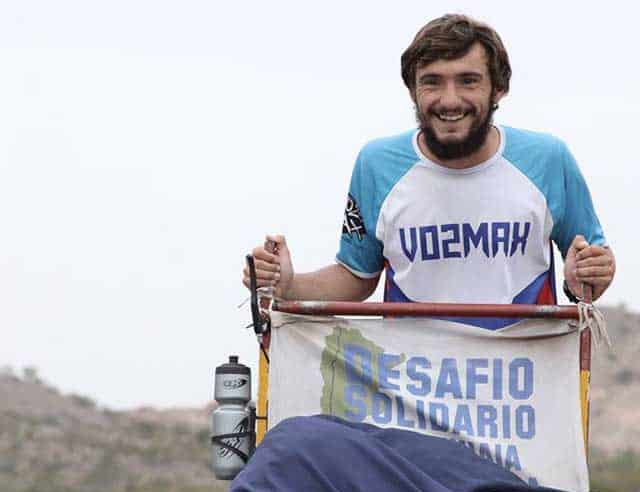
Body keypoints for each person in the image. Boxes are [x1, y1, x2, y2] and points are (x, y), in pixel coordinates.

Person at [242, 14, 615, 325]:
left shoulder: (549, 159)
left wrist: (589, 276)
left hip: (522, 394)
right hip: (412, 396)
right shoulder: (376, 164)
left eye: (468, 81)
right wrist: (287, 284)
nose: (449, 100)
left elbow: (589, 272)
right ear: (412, 91)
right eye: (432, 82)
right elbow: (356, 277)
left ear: (498, 88)